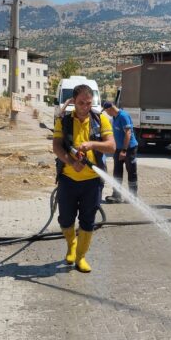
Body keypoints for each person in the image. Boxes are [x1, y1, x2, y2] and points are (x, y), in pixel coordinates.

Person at [52, 84, 115, 272]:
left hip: (92, 182)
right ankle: (72, 245)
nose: (85, 107)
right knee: (65, 219)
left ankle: (80, 257)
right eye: (81, 103)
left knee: (88, 221)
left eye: (89, 103)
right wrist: (71, 163)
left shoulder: (100, 119)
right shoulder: (63, 121)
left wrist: (92, 144)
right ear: (73, 102)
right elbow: (56, 147)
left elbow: (111, 146)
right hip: (68, 180)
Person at [101, 101, 139, 203]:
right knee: (117, 172)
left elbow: (128, 133)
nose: (106, 113)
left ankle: (132, 196)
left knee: (131, 171)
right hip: (118, 149)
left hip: (129, 149)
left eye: (106, 111)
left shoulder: (123, 116)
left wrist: (124, 150)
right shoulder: (115, 117)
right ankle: (116, 196)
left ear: (110, 109)